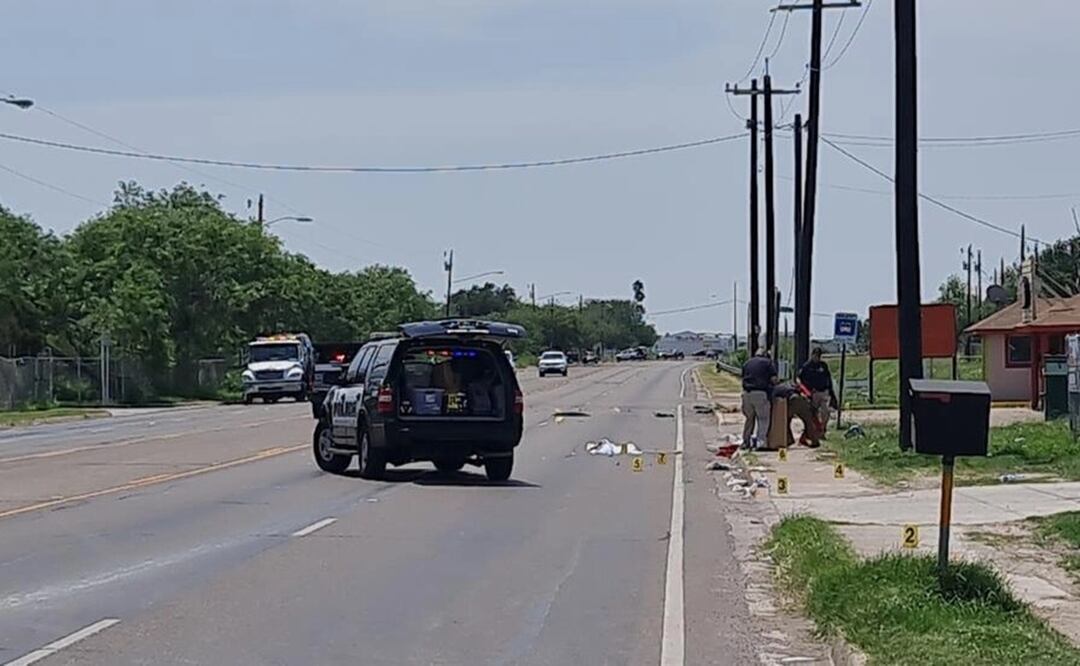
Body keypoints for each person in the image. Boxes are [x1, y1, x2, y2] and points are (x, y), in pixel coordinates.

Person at [741, 349, 778, 449]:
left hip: (746, 394)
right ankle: (760, 443)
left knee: (749, 419)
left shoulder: (747, 363)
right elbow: (774, 380)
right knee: (763, 419)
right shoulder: (768, 363)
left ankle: (746, 441)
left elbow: (743, 376)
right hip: (760, 393)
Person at [798, 347, 838, 435]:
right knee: (813, 413)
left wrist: (831, 392)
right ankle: (814, 430)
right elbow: (800, 380)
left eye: (818, 356)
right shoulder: (807, 366)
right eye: (815, 355)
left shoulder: (823, 365)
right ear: (812, 355)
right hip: (813, 393)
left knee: (825, 412)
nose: (817, 357)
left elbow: (828, 378)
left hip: (823, 391)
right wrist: (806, 392)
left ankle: (823, 428)